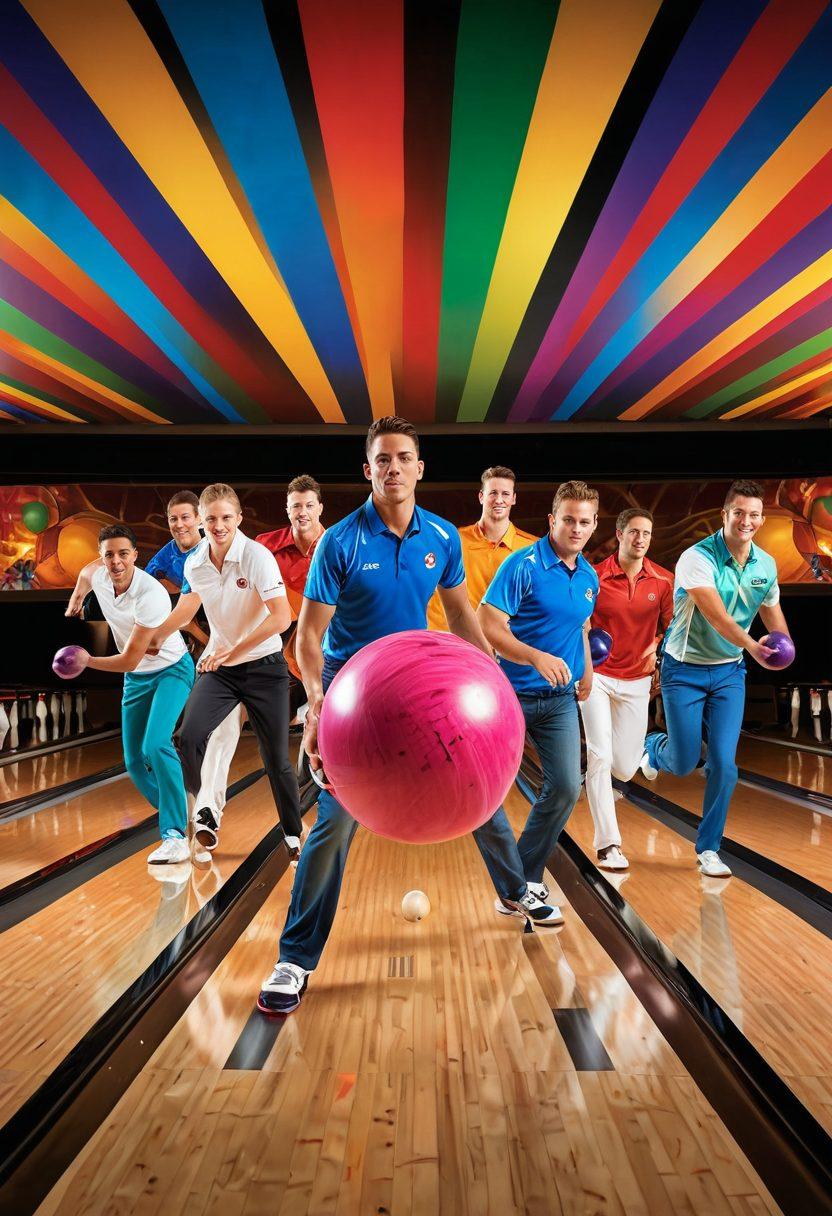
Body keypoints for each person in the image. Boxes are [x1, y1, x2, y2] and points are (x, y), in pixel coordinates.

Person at [258, 418, 562, 1016]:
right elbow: (308, 640)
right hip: (357, 706)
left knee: (479, 792)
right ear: (366, 469)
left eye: (403, 458)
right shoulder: (340, 543)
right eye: (381, 459)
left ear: (420, 468)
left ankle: (516, 888)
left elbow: (462, 616)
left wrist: (496, 684)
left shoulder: (443, 538)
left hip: (427, 694)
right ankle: (294, 959)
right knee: (332, 830)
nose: (392, 468)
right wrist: (319, 707)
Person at [640, 480, 789, 877]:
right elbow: (716, 616)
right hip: (683, 669)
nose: (747, 521)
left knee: (725, 765)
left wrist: (783, 644)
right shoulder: (696, 557)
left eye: (755, 514)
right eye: (739, 512)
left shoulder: (766, 564)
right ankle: (654, 748)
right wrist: (756, 648)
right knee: (685, 761)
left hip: (728, 673)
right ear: (724, 515)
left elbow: (772, 613)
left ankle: (708, 849)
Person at [149, 483, 303, 858]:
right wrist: (157, 634)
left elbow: (282, 616)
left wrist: (230, 650)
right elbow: (188, 606)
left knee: (276, 760)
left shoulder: (256, 557)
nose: (218, 526)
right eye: (212, 519)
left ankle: (294, 835)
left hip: (265, 668)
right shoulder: (195, 561)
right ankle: (205, 807)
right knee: (189, 736)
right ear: (201, 520)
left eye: (226, 518)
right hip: (221, 669)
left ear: (238, 519)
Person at [478, 481, 600, 908]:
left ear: (594, 525)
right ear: (552, 520)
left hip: (560, 699)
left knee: (567, 787)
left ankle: (524, 878)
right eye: (568, 519)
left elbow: (579, 626)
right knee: (488, 792)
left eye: (584, 522)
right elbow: (488, 623)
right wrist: (533, 657)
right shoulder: (522, 565)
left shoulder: (588, 574)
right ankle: (515, 885)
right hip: (509, 696)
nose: (576, 528)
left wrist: (585, 670)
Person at [65, 525, 193, 864]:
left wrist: (87, 660)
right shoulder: (99, 575)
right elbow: (85, 572)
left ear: (136, 556)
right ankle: (178, 803)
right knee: (134, 762)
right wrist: (77, 599)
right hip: (136, 680)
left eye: (123, 554)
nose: (116, 561)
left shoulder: (150, 593)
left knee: (156, 744)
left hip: (171, 670)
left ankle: (175, 834)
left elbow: (130, 658)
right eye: (109, 554)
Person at [580, 508, 673, 871]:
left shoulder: (663, 581)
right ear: (619, 534)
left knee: (623, 767)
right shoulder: (595, 576)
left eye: (646, 533)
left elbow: (674, 628)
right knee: (600, 757)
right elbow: (580, 622)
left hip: (637, 680)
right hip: (598, 676)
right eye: (633, 532)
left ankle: (646, 751)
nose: (640, 539)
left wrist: (659, 650)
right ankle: (609, 845)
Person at [427, 466, 537, 631]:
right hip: (459, 645)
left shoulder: (533, 548)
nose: (499, 500)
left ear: (513, 499)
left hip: (510, 647)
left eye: (505, 494)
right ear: (481, 497)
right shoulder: (453, 541)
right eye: (493, 493)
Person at [255, 475, 325, 718]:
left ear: (320, 509)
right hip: (279, 630)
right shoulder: (264, 545)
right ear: (287, 510)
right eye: (296, 506)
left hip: (324, 632)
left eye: (308, 505)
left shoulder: (335, 544)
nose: (302, 512)